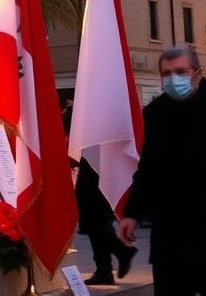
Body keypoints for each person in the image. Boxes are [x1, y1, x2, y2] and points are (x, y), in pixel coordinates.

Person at [118, 45, 206, 295]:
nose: (174, 79)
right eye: (167, 73)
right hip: (170, 235)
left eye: (181, 71)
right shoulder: (154, 113)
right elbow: (147, 170)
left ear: (197, 73)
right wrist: (132, 213)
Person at [62, 98, 138, 285]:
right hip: (95, 163)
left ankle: (120, 253)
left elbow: (70, 129)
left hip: (96, 166)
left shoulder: (93, 105)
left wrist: (70, 112)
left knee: (94, 220)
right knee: (94, 222)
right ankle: (104, 269)